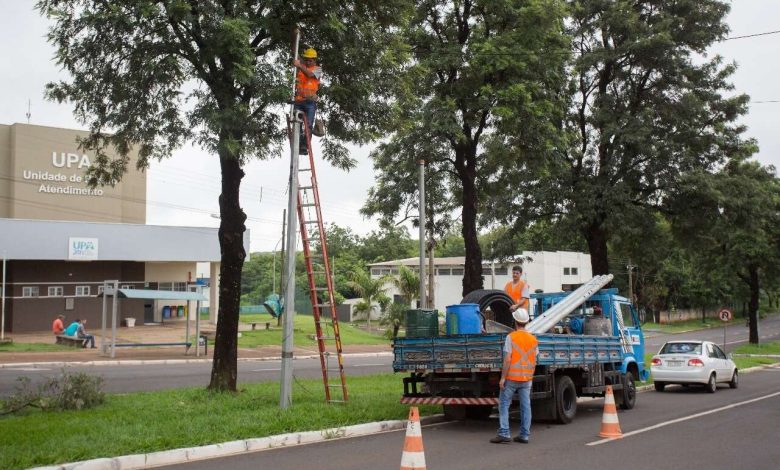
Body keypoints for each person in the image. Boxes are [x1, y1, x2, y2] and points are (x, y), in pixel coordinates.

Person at [491, 308, 538, 444]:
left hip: (511, 377)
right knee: (526, 406)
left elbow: (507, 359)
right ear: (526, 322)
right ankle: (524, 435)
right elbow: (534, 359)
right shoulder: (533, 340)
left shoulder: (510, 337)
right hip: (526, 379)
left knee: (504, 404)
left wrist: (502, 378)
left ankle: (504, 433)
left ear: (515, 321)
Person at [293, 47, 322, 155]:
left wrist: (299, 65)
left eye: (310, 60)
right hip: (299, 101)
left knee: (309, 124)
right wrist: (295, 35)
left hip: (310, 102)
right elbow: (295, 53)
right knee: (297, 124)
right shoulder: (302, 66)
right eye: (306, 60)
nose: (308, 61)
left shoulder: (318, 69)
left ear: (314, 60)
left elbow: (309, 74)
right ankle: (299, 144)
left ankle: (305, 145)